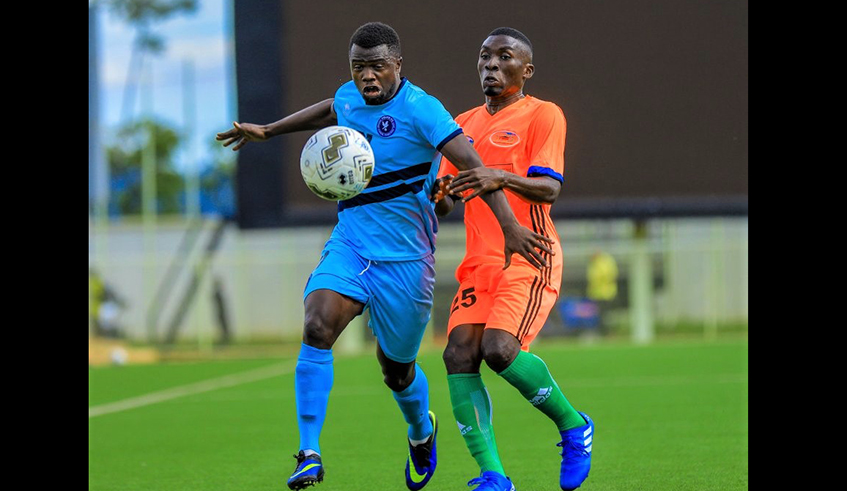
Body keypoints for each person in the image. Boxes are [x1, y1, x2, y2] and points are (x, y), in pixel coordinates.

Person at [216, 22, 553, 491]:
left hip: (408, 262)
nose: (367, 77)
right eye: (358, 67)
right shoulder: (350, 97)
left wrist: (510, 226)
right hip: (350, 245)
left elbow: (476, 167)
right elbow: (331, 108)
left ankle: (420, 430)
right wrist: (268, 132)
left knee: (396, 370)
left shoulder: (423, 110)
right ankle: (309, 452)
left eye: (376, 66)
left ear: (397, 65)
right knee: (317, 325)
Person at [433, 27, 593, 491]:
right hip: (478, 263)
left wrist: (494, 175)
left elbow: (550, 188)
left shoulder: (544, 114)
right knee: (458, 355)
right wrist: (440, 194)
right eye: (484, 57)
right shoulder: (461, 124)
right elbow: (446, 198)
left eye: (504, 58)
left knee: (500, 351)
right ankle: (494, 477)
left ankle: (573, 424)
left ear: (526, 71)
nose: (491, 65)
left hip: (528, 253)